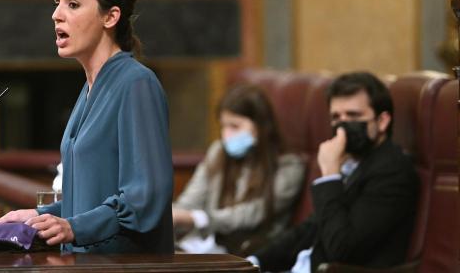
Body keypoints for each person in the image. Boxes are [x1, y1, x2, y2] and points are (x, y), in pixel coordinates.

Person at [0, 0, 174, 253]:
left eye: (72, 4)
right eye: (56, 2)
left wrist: (74, 227)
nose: (56, 15)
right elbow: (90, 198)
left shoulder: (136, 84)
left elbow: (145, 199)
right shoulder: (89, 88)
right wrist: (41, 216)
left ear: (110, 17)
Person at [247, 72, 419, 272]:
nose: (342, 126)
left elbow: (342, 249)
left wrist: (330, 174)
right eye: (336, 117)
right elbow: (310, 228)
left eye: (353, 115)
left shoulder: (392, 172)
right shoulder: (354, 163)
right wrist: (253, 262)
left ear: (382, 121)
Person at [172, 84, 305, 256]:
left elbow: (252, 214)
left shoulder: (289, 166)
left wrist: (199, 218)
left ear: (261, 126)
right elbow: (190, 201)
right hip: (202, 245)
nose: (226, 135)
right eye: (223, 126)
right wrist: (173, 215)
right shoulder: (218, 151)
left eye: (235, 126)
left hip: (247, 251)